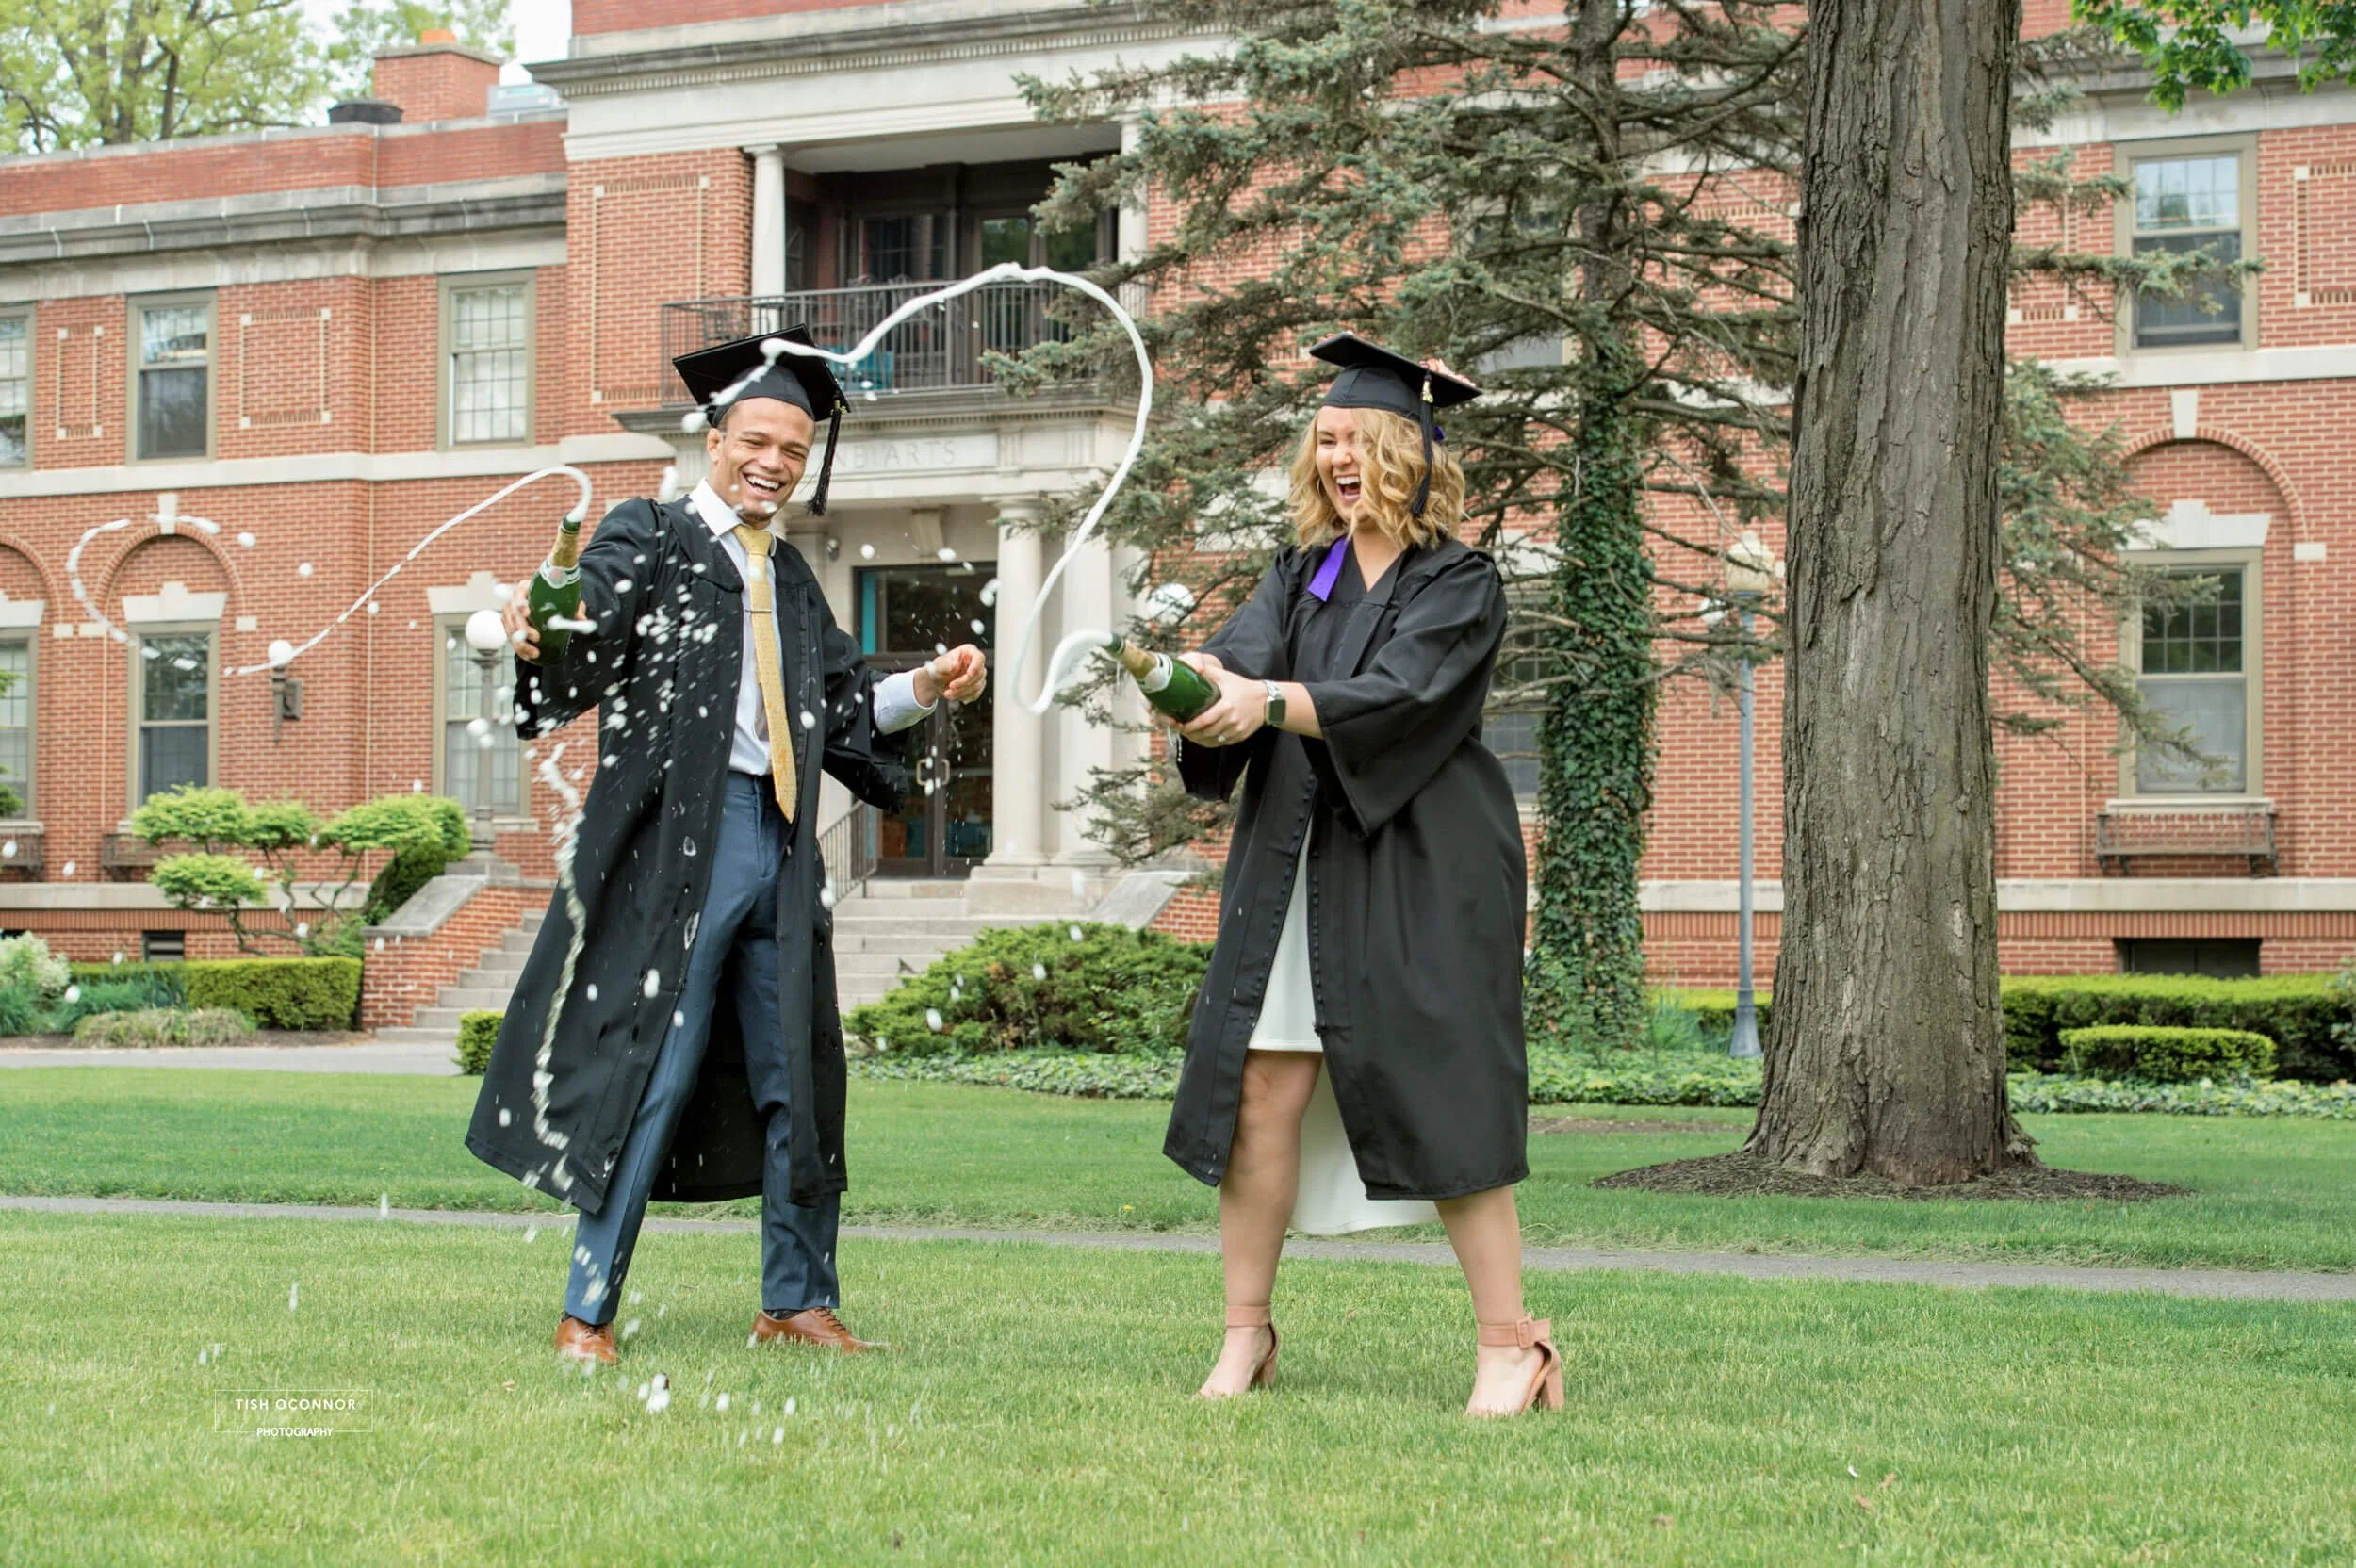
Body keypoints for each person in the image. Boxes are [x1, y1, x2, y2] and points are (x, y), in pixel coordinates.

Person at [464, 328, 988, 1366]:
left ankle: (796, 1299)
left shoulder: (787, 575)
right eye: (756, 441)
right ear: (714, 441)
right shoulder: (650, 536)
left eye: (793, 449)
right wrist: (543, 618)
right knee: (651, 1065)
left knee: (802, 1071)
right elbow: (580, 624)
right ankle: (586, 1310)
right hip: (678, 848)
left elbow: (841, 704)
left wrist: (925, 685)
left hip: (782, 845)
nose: (774, 463)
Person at [1162, 334, 1557, 1417]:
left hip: (1419, 863)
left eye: (1358, 439)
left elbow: (1401, 694)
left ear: (1409, 452)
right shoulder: (1301, 575)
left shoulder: (1459, 582)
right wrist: (1193, 682)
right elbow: (1239, 666)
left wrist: (1267, 700)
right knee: (1259, 1090)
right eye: (1325, 440)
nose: (1338, 458)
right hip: (1295, 859)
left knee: (1445, 1087)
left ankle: (1510, 1344)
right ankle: (1245, 1333)